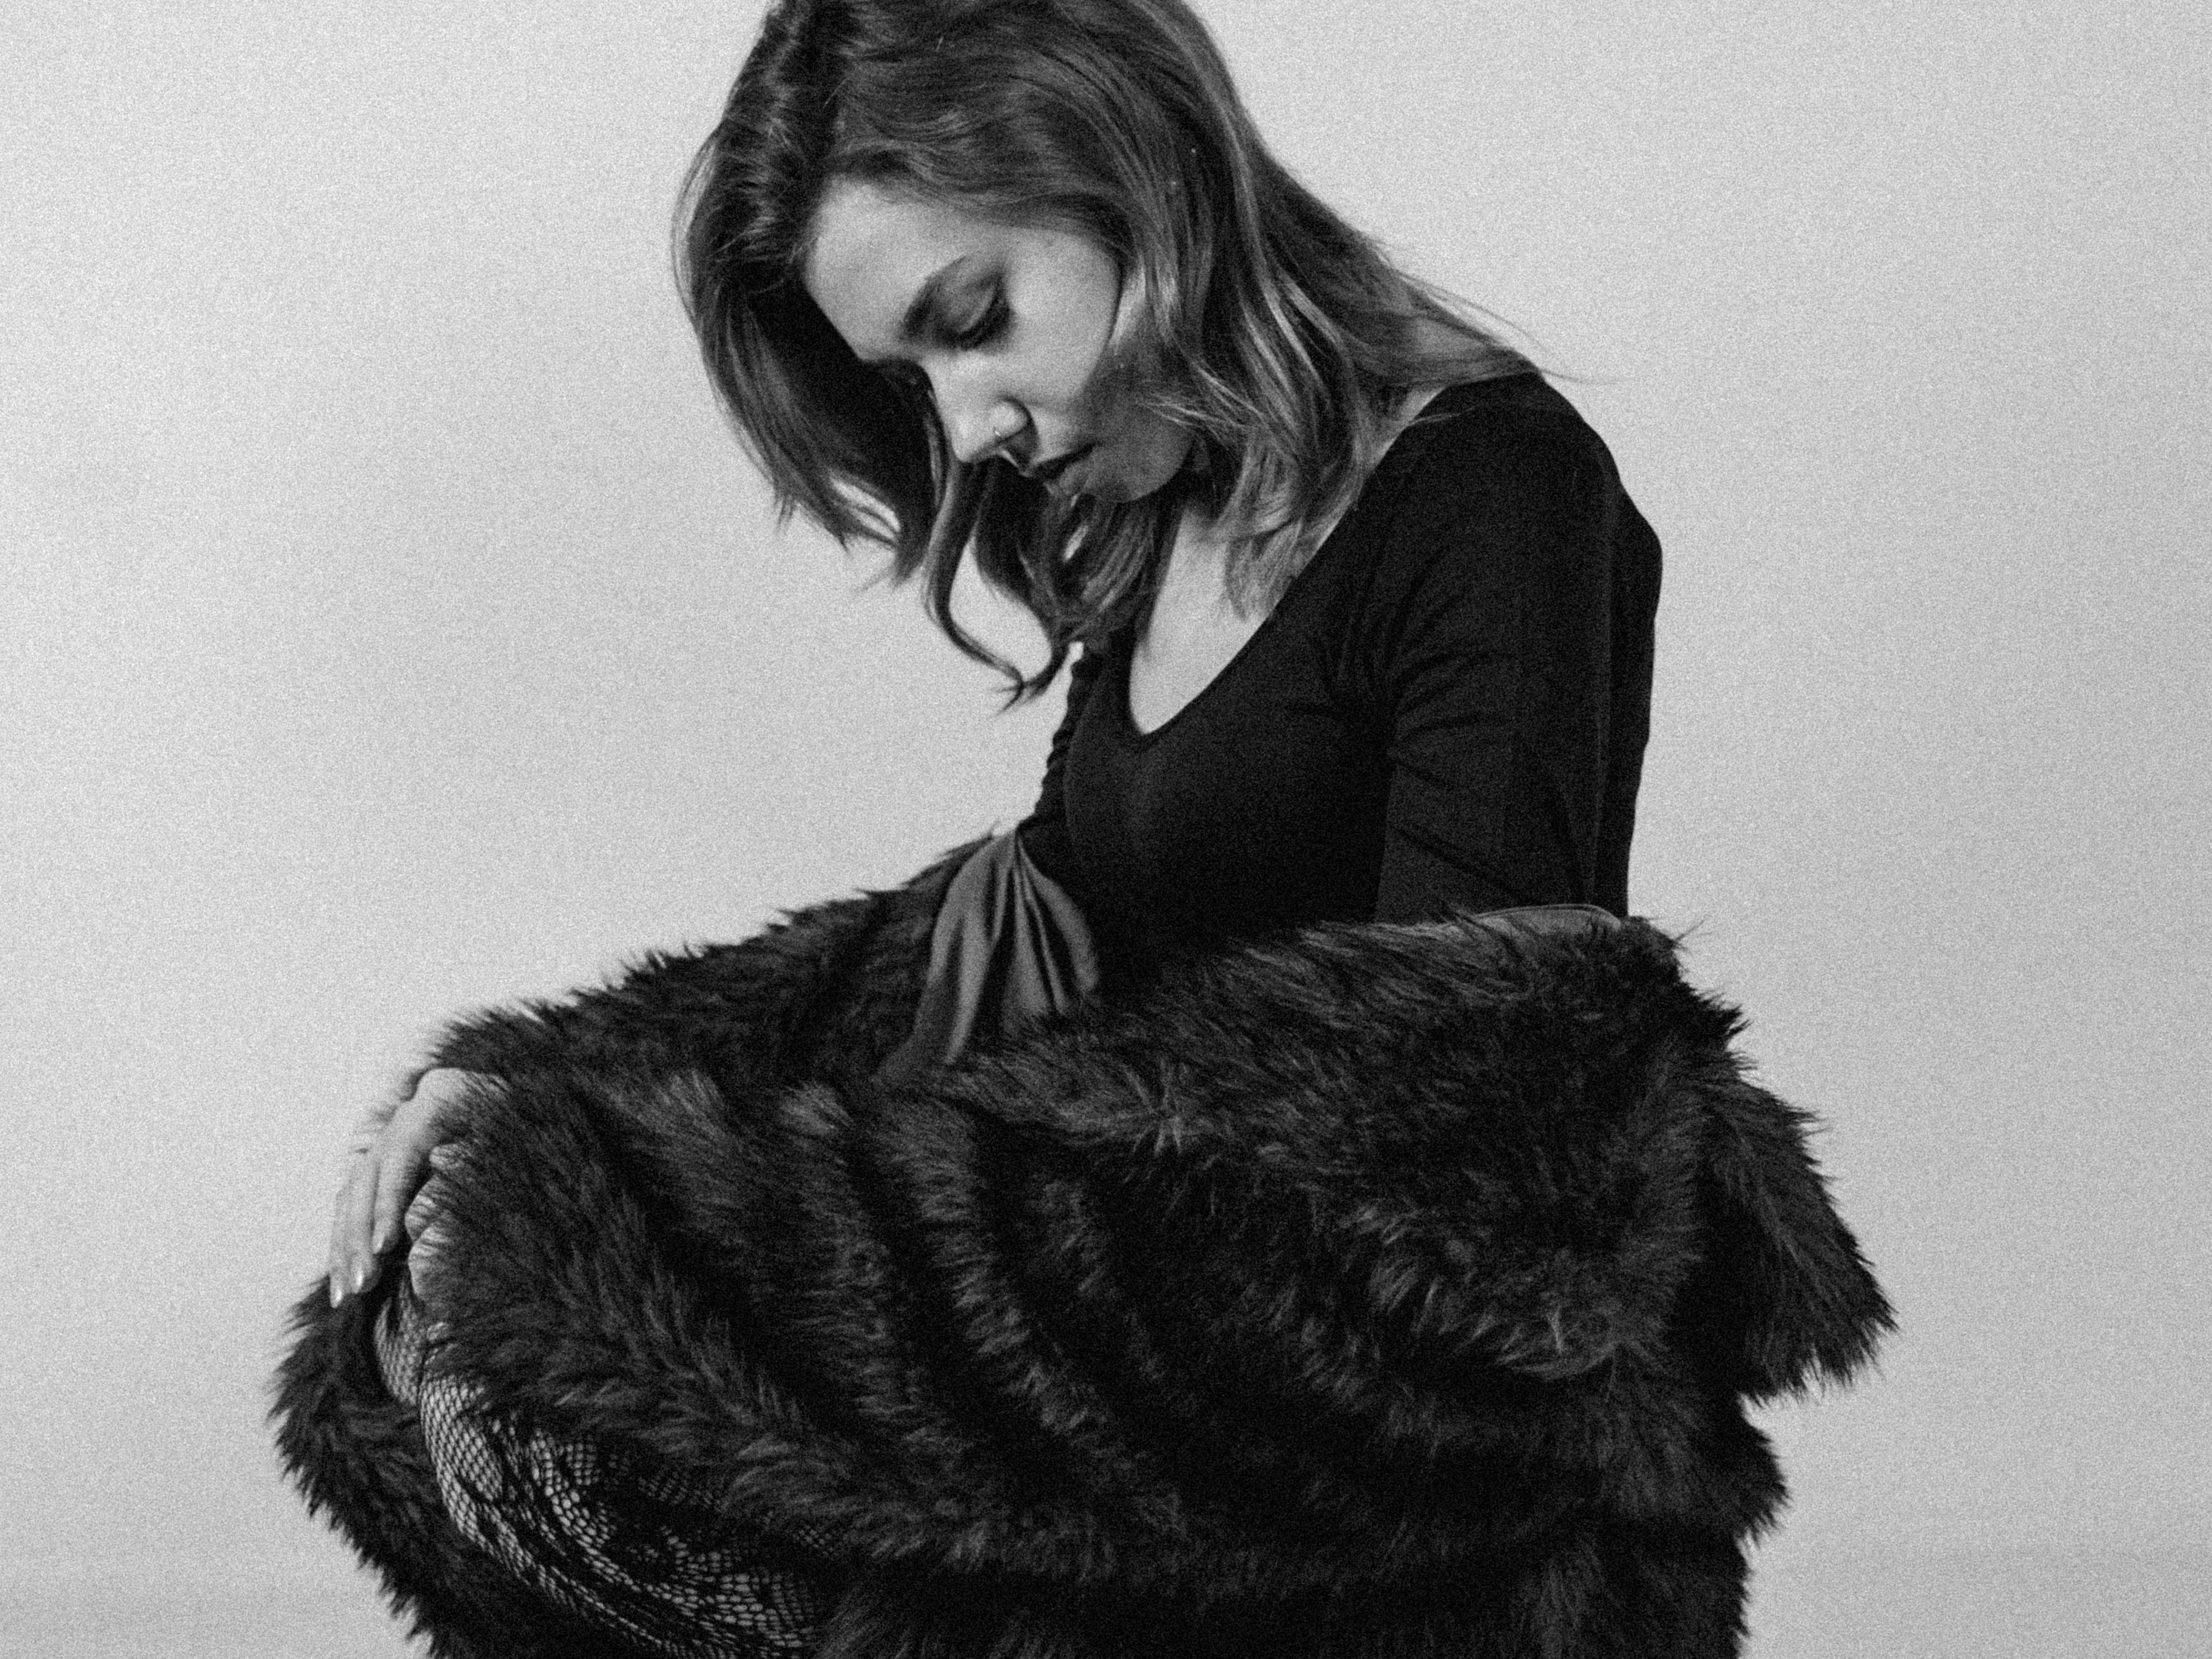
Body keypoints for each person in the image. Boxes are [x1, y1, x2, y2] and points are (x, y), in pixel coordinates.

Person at [302, 1, 1724, 1654]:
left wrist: (696, 1231)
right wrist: (569, 1097)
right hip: (1134, 1422)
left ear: (1129, 165)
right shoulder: (1168, 502)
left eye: (973, 320)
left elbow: (1477, 1173)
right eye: (912, 377)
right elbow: (1025, 933)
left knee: (572, 1347)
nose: (968, 424)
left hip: (1396, 1530)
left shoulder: (1499, 493)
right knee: (461, 1331)